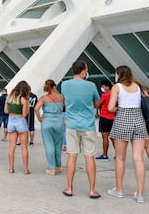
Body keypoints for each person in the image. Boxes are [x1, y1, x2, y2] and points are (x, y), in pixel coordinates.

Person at [107, 65, 148, 203]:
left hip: (123, 119)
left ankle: (119, 190)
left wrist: (120, 107)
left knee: (120, 158)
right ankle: (140, 194)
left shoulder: (117, 87)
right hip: (139, 120)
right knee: (139, 159)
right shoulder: (139, 86)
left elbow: (110, 107)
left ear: (119, 74)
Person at [61, 60, 100, 199]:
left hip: (71, 125)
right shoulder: (91, 85)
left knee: (72, 155)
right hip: (88, 125)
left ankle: (70, 188)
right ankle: (92, 190)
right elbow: (97, 103)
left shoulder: (65, 85)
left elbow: (65, 101)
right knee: (89, 157)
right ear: (84, 70)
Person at [34, 79, 64, 175]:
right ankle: (58, 166)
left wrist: (39, 118)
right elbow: (64, 107)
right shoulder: (61, 97)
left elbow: (36, 109)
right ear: (54, 86)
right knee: (58, 145)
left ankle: (51, 168)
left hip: (47, 120)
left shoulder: (43, 98)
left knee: (49, 145)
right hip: (59, 121)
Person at [6, 81, 31, 174]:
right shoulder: (24, 99)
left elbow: (6, 110)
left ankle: (11, 168)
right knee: (24, 147)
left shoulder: (9, 98)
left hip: (11, 120)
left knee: (12, 146)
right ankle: (25, 169)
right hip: (21, 121)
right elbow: (24, 114)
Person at [95, 79, 116, 161]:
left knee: (105, 137)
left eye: (103, 86)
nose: (102, 88)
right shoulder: (114, 94)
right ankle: (118, 154)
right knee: (113, 137)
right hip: (112, 118)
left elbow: (98, 104)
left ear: (107, 86)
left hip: (104, 117)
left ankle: (105, 155)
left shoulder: (105, 95)